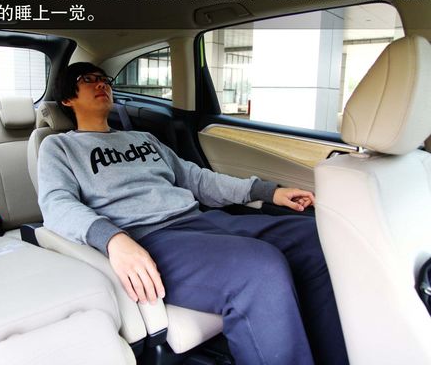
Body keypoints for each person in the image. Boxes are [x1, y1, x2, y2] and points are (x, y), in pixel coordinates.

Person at [37, 62, 348, 365]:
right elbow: (56, 203)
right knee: (261, 269)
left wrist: (267, 192)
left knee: (315, 239)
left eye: (104, 79)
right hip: (151, 239)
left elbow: (198, 180)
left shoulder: (143, 139)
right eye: (88, 80)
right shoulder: (59, 147)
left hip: (201, 220)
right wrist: (112, 239)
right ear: (67, 99)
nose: (101, 84)